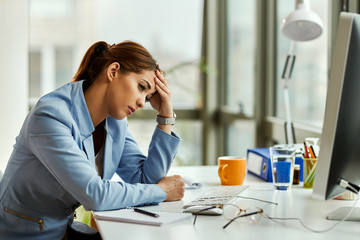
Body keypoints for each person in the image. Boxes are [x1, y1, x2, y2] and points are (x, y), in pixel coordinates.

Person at [0, 40, 185, 239]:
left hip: (63, 230)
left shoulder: (115, 122)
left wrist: (165, 118)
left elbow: (146, 180)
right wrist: (162, 191)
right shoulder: (50, 116)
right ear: (113, 71)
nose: (142, 102)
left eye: (148, 97)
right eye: (141, 87)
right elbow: (95, 194)